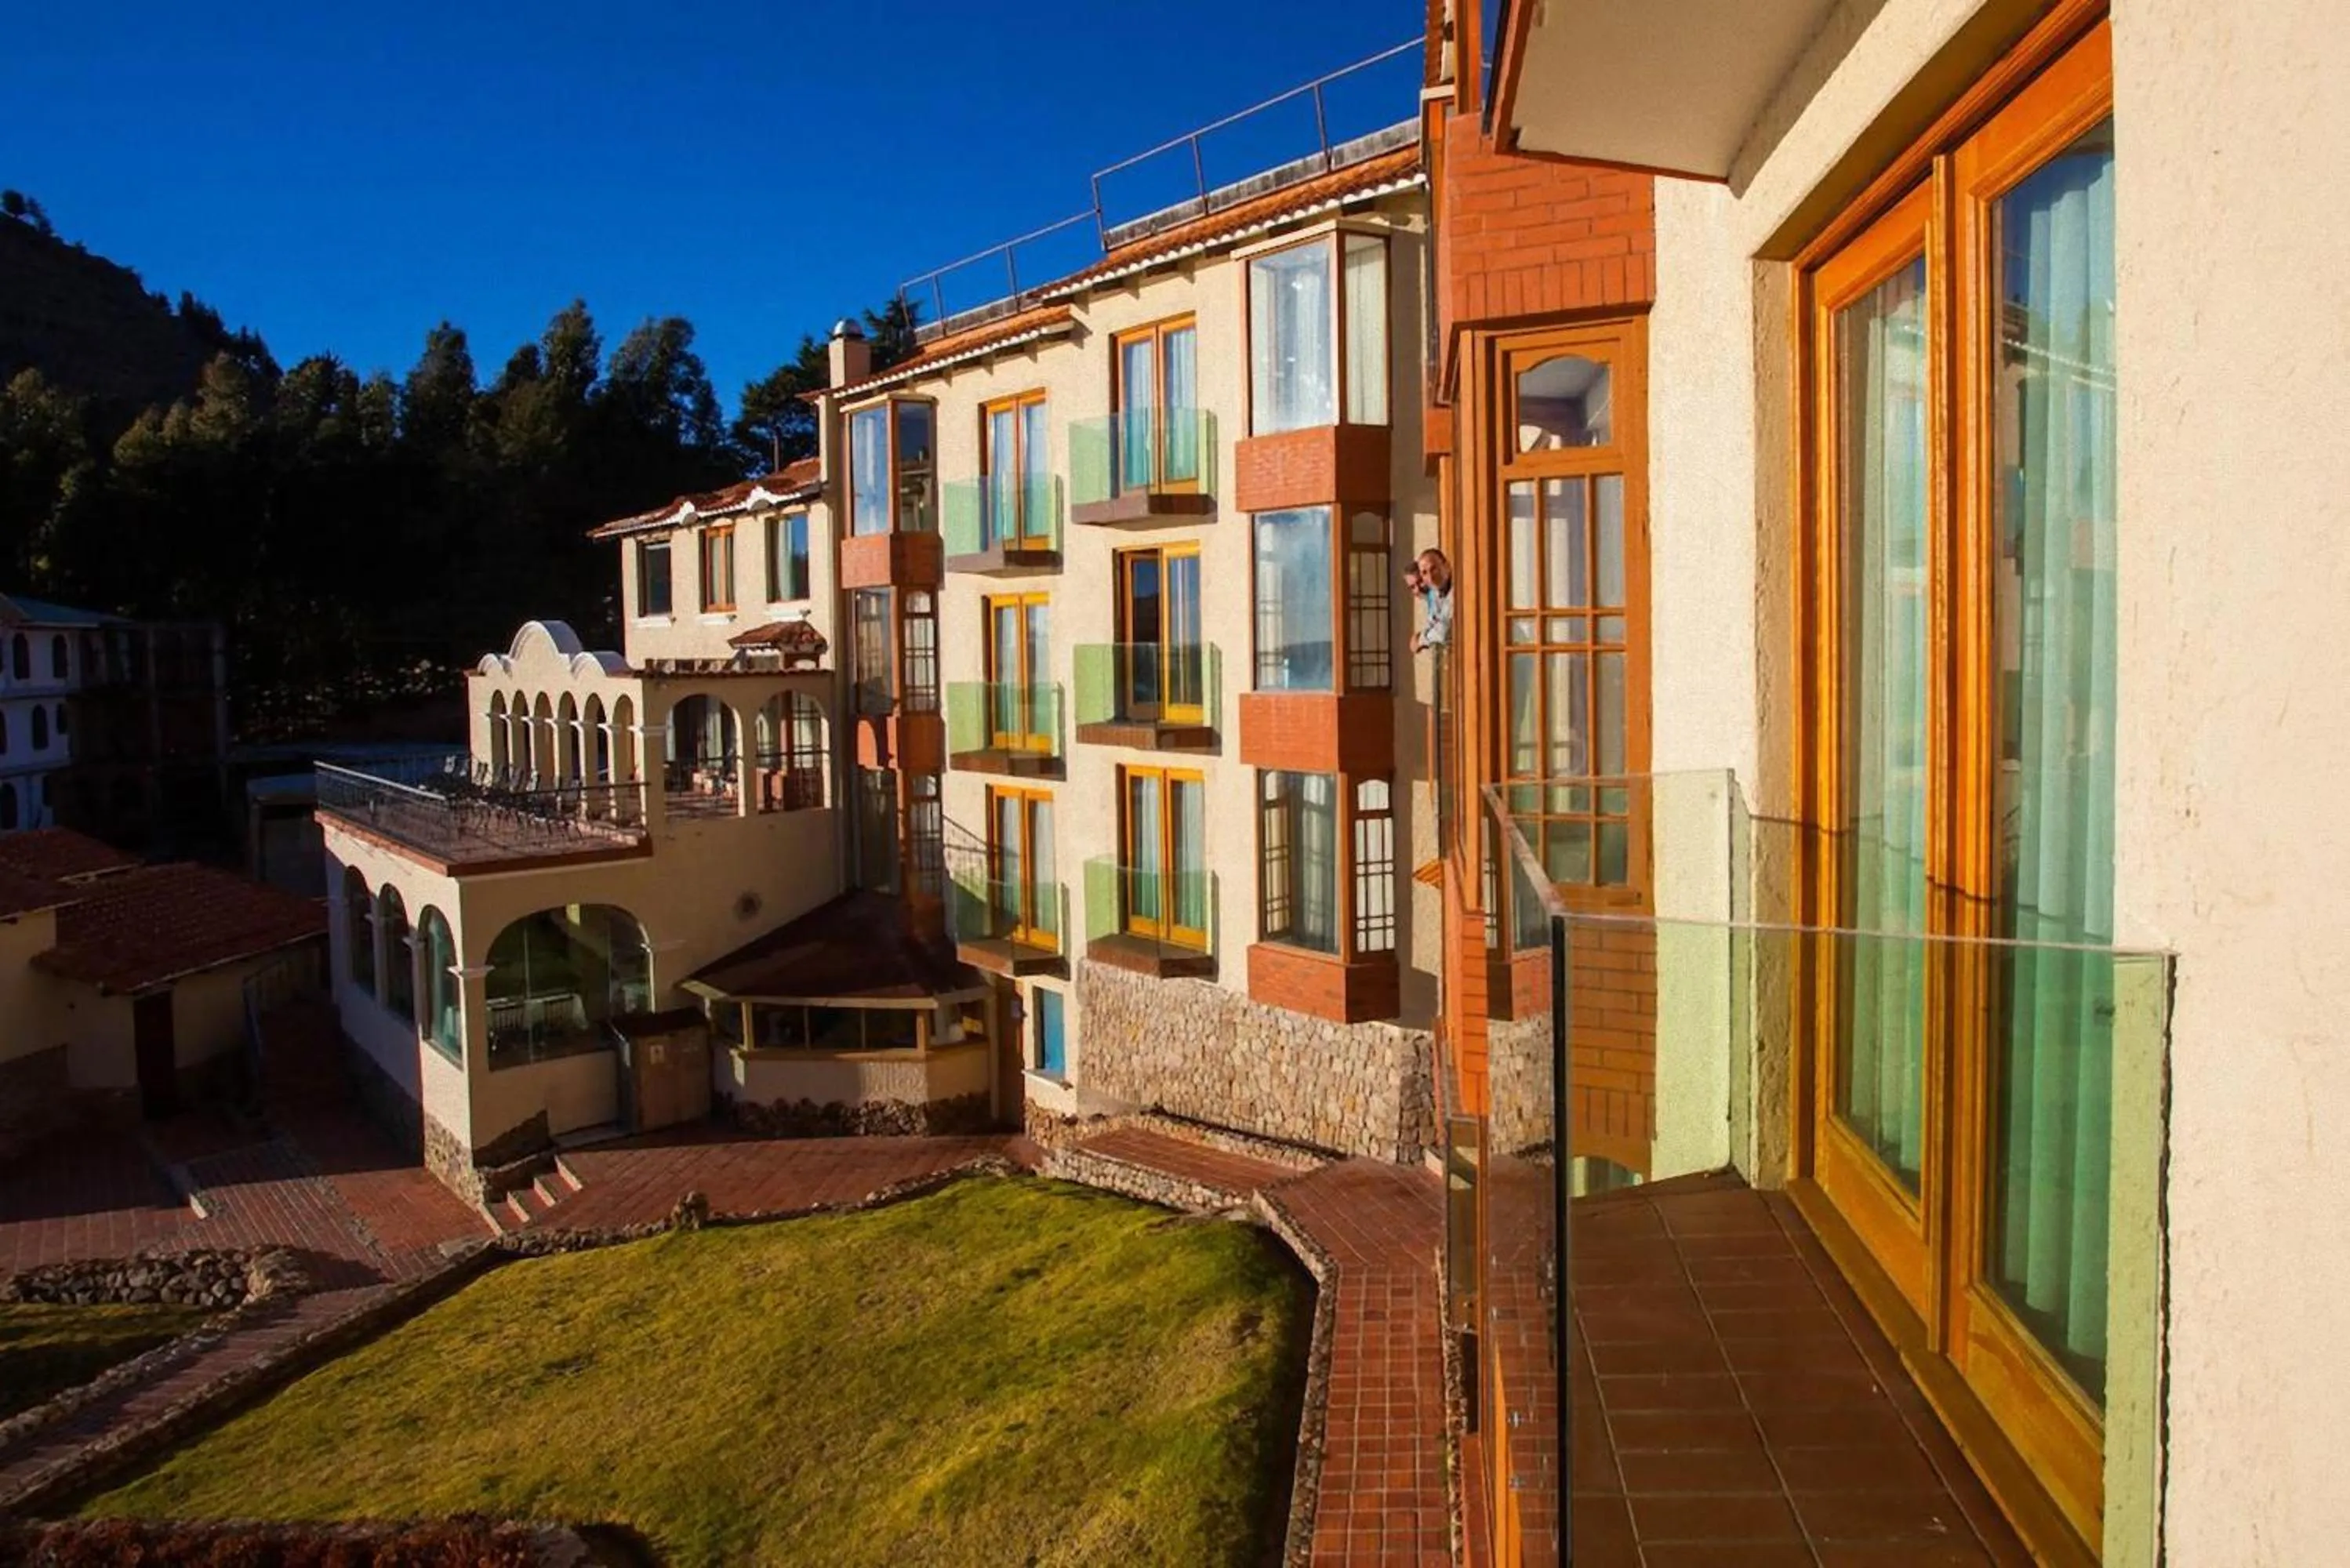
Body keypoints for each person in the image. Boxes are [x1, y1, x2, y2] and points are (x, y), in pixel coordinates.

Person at [1411, 548, 1453, 652]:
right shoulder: (1434, 594)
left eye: (1434, 569)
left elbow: (1444, 632)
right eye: (1424, 573)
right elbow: (1432, 624)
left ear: (1446, 566)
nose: (1430, 577)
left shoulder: (1456, 591)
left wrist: (1421, 640)